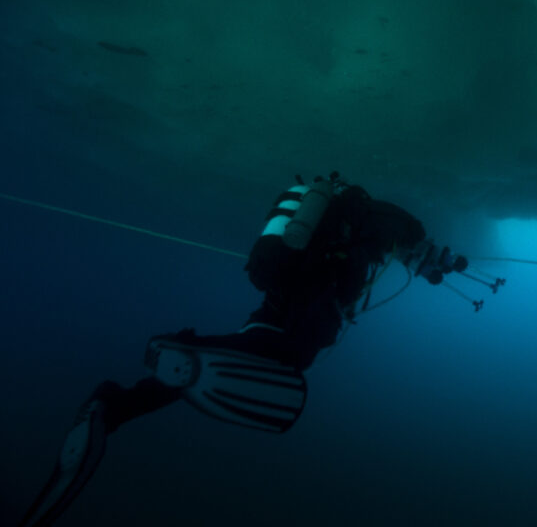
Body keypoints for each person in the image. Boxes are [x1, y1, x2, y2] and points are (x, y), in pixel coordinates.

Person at [19, 173, 469, 527]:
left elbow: (401, 250)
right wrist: (431, 257)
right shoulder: (378, 220)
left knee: (249, 351)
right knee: (287, 353)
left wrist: (425, 260)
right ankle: (174, 352)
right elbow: (404, 240)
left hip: (285, 295)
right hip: (312, 296)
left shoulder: (352, 219)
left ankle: (117, 406)